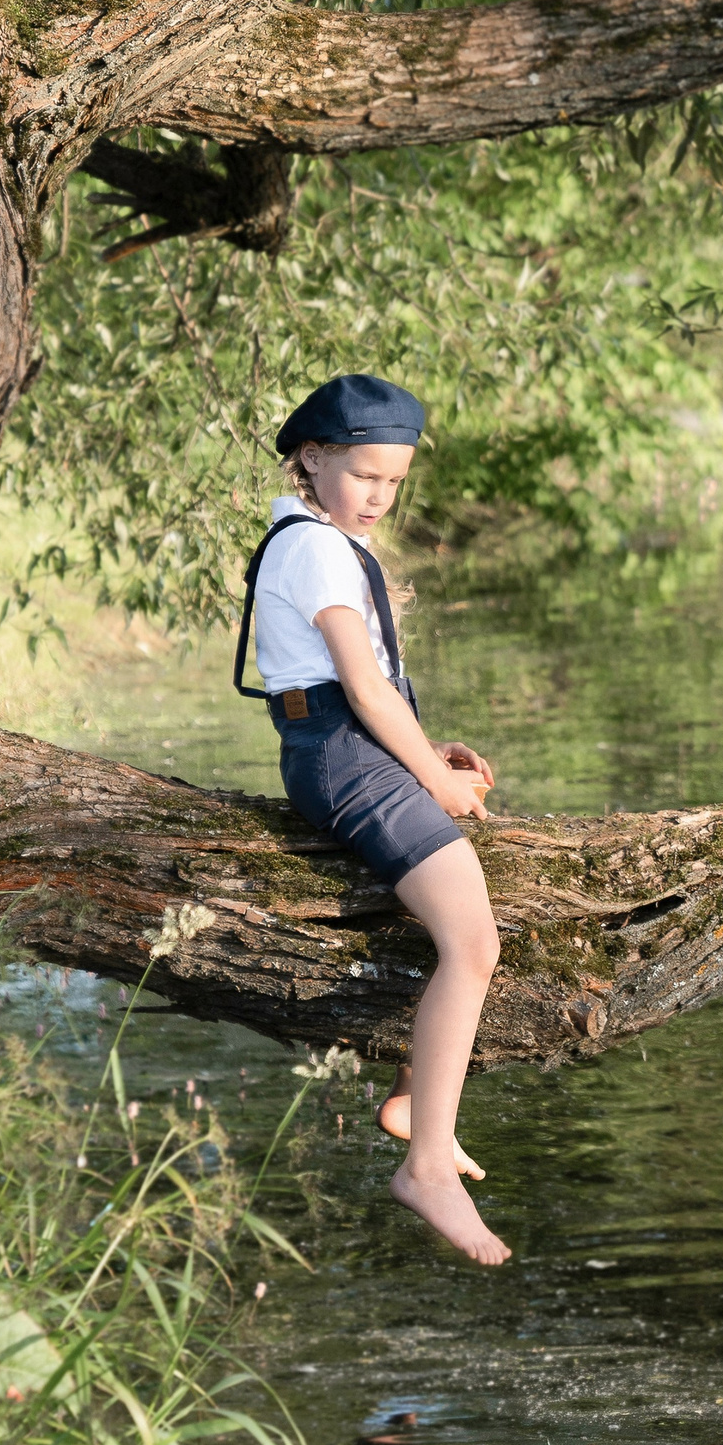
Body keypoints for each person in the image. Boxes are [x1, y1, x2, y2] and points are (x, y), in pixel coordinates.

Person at [238, 374, 509, 1264]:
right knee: (473, 943)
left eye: (394, 481)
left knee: (459, 910)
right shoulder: (315, 549)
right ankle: (426, 1167)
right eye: (365, 476)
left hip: (352, 748)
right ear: (313, 458)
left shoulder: (323, 539)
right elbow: (358, 687)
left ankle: (409, 1098)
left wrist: (430, 749)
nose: (380, 496)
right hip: (342, 756)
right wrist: (430, 777)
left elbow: (368, 689)